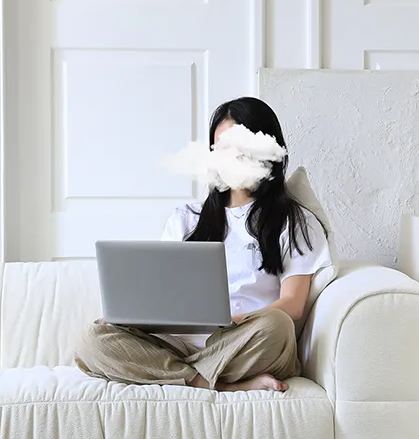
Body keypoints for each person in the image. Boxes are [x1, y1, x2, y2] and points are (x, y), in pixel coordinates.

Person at [74, 97, 331, 392]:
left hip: (242, 342)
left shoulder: (294, 221)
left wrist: (234, 321)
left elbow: (293, 305)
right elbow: (160, 294)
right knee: (92, 338)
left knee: (278, 326)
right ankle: (216, 383)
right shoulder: (186, 218)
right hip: (176, 345)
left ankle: (175, 376)